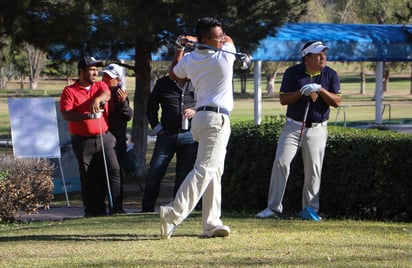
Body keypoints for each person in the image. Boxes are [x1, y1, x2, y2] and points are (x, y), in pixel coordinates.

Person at [160, 17, 236, 239]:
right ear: (205, 39)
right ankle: (173, 213)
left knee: (214, 172)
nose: (222, 39)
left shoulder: (191, 59)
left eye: (222, 35)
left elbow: (174, 73)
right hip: (216, 120)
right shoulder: (224, 56)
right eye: (217, 37)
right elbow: (231, 39)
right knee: (204, 169)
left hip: (201, 118)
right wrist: (195, 40)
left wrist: (183, 47)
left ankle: (211, 223)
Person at [256, 41, 342, 219]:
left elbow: (336, 102)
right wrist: (301, 92)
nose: (323, 57)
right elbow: (283, 99)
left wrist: (320, 89)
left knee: (313, 170)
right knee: (281, 163)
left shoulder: (330, 74)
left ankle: (310, 210)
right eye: (318, 55)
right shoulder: (292, 73)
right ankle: (273, 208)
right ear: (307, 57)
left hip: (317, 129)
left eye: (324, 54)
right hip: (293, 127)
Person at [60, 56, 122, 217]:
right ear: (81, 71)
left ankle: (116, 208)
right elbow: (66, 114)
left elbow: (107, 93)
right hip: (83, 140)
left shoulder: (100, 85)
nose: (95, 73)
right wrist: (87, 116)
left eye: (96, 70)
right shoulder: (70, 91)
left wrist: (97, 99)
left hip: (104, 137)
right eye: (91, 69)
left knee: (113, 170)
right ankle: (93, 210)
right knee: (88, 176)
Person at [141, 75, 198, 213]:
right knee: (155, 171)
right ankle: (147, 208)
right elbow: (151, 108)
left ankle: (178, 208)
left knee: (183, 174)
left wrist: (195, 111)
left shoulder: (197, 81)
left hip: (189, 135)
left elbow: (207, 103)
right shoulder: (163, 83)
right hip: (167, 135)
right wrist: (158, 129)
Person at [102, 63, 133, 214]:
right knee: (104, 173)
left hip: (117, 140)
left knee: (117, 173)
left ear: (118, 79)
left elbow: (128, 116)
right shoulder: (100, 92)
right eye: (105, 76)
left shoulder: (120, 94)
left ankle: (117, 206)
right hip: (101, 138)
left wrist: (122, 103)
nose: (106, 79)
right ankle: (103, 206)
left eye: (110, 77)